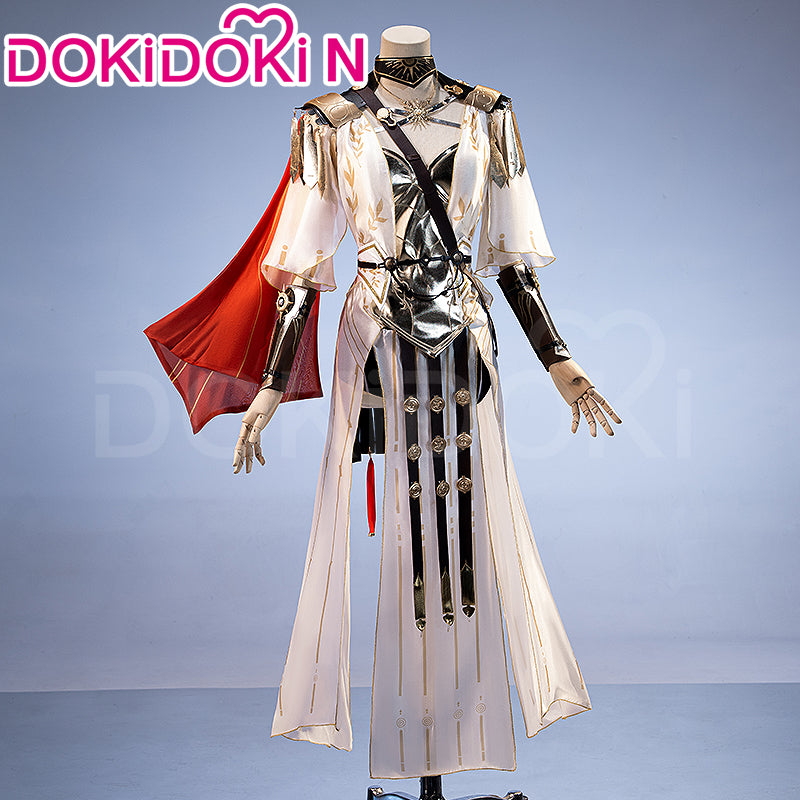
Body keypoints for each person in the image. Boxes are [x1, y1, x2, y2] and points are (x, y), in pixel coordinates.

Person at [147, 24, 620, 785]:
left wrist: (562, 365)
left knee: (463, 524)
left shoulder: (489, 114)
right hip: (377, 336)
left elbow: (511, 265)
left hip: (466, 335)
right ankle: (414, 747)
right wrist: (270, 385)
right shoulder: (329, 122)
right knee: (407, 528)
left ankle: (458, 739)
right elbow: (303, 269)